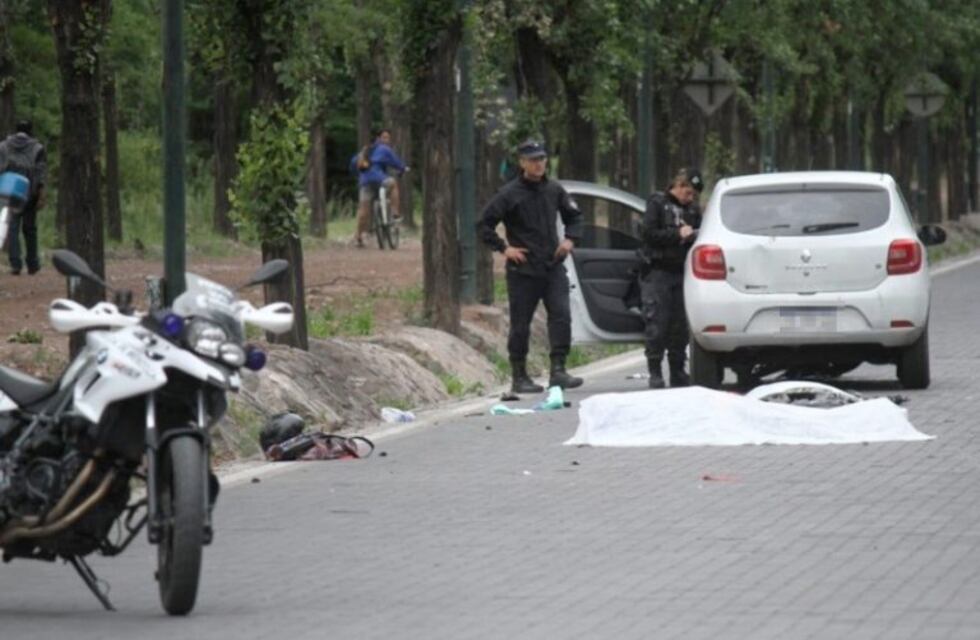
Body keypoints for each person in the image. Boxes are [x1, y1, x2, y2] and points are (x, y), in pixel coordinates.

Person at [478, 139, 584, 393]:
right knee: (520, 324)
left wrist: (570, 239)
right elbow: (484, 224)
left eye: (542, 159)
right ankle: (519, 375)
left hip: (552, 264)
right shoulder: (509, 193)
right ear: (522, 162)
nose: (539, 164)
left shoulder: (554, 189)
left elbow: (574, 216)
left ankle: (558, 369)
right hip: (523, 268)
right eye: (533, 159)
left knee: (561, 316)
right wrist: (505, 248)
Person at [639, 167, 704, 389]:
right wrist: (677, 234)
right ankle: (655, 373)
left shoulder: (693, 210)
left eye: (694, 194)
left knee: (680, 327)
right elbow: (648, 234)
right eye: (688, 192)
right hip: (658, 272)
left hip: (682, 273)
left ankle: (677, 371)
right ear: (678, 185)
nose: (691, 197)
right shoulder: (657, 204)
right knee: (657, 324)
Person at [0, 120, 46, 275]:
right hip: (29, 192)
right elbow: (40, 173)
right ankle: (32, 264)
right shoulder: (37, 148)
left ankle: (15, 264)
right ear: (30, 131)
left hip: (9, 189)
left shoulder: (4, 146)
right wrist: (41, 195)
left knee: (12, 228)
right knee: (30, 228)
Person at [349, 129, 407, 248]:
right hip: (380, 179)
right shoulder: (385, 149)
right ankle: (395, 213)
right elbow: (396, 162)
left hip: (365, 182)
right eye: (385, 138)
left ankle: (358, 237)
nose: (387, 140)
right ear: (379, 138)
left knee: (363, 211)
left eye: (388, 138)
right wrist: (403, 168)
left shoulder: (365, 150)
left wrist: (359, 177)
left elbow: (353, 165)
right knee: (393, 183)